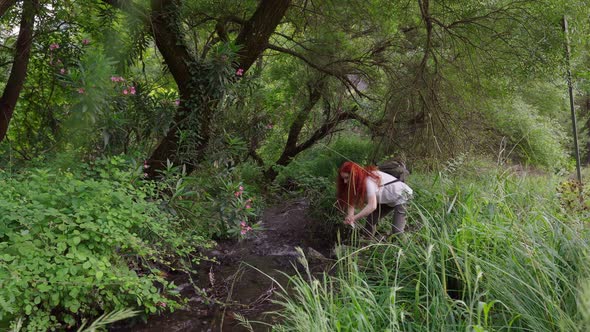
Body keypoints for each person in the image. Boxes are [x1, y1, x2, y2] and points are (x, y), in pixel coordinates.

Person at [336, 161, 413, 236]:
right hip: (388, 200)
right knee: (371, 220)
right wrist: (350, 215)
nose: (345, 181)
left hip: (403, 196)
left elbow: (372, 206)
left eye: (347, 178)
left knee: (397, 230)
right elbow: (352, 200)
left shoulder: (368, 181)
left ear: (354, 175)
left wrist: (354, 218)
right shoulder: (356, 182)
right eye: (343, 179)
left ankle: (404, 247)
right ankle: (367, 243)